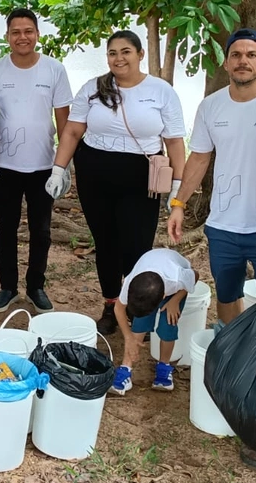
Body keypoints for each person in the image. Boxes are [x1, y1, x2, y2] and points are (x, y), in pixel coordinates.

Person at [48, 31, 187, 335]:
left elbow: (175, 143)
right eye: (112, 53)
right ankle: (111, 304)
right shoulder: (94, 88)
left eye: (126, 52)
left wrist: (178, 187)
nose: (119, 58)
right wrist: (58, 170)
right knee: (106, 243)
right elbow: (72, 132)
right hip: (95, 172)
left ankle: (136, 306)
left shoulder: (161, 91)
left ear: (139, 54)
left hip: (141, 177)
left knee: (137, 246)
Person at [167, 28, 256, 321]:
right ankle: (233, 349)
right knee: (227, 295)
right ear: (226, 63)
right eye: (236, 55)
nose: (244, 61)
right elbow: (199, 158)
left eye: (252, 55)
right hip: (223, 224)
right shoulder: (211, 106)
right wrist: (178, 204)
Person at [0, 8, 73, 314]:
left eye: (28, 31)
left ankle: (36, 287)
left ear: (37, 34)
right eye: (16, 32)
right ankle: (7, 287)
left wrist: (64, 167)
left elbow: (64, 123)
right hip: (5, 164)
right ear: (7, 37)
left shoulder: (54, 70)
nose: (22, 37)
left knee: (41, 230)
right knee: (6, 228)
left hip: (44, 166)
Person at [109, 248, 198, 396]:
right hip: (149, 282)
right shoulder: (131, 283)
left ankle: (164, 366)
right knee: (139, 326)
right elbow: (119, 309)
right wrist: (128, 336)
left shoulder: (177, 279)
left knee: (168, 325)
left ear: (163, 296)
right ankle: (126, 369)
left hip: (175, 288)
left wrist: (175, 300)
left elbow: (195, 275)